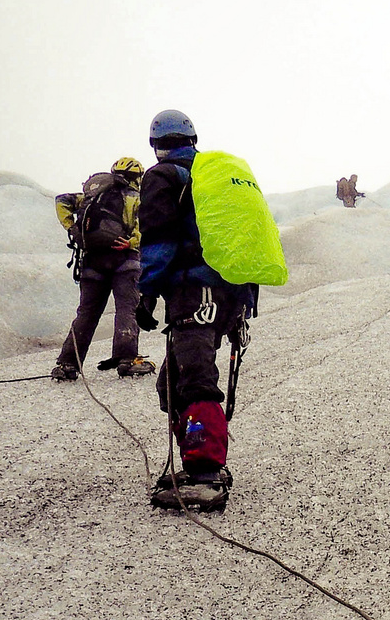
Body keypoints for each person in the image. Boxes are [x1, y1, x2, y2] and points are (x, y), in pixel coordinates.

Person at [132, 110, 258, 512]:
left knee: (194, 373)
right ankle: (195, 453)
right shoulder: (214, 176)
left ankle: (204, 471)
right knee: (172, 379)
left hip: (194, 287)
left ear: (156, 145)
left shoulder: (163, 176)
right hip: (230, 290)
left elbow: (158, 238)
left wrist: (147, 291)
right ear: (192, 138)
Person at [50, 157, 156, 380]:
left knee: (87, 313)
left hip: (92, 261)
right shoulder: (134, 198)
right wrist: (132, 243)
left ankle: (67, 365)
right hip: (124, 260)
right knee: (126, 308)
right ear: (137, 177)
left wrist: (72, 228)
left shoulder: (91, 198)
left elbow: (61, 201)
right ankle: (127, 360)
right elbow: (143, 228)